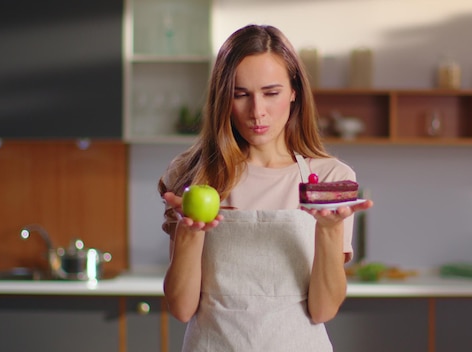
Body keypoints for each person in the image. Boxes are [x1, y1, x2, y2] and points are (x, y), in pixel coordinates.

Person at [158, 24, 372, 352]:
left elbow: (324, 309)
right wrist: (189, 233)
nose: (256, 111)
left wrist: (329, 231)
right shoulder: (194, 175)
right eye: (240, 94)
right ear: (222, 97)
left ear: (294, 91)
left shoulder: (328, 179)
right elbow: (181, 308)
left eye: (271, 93)